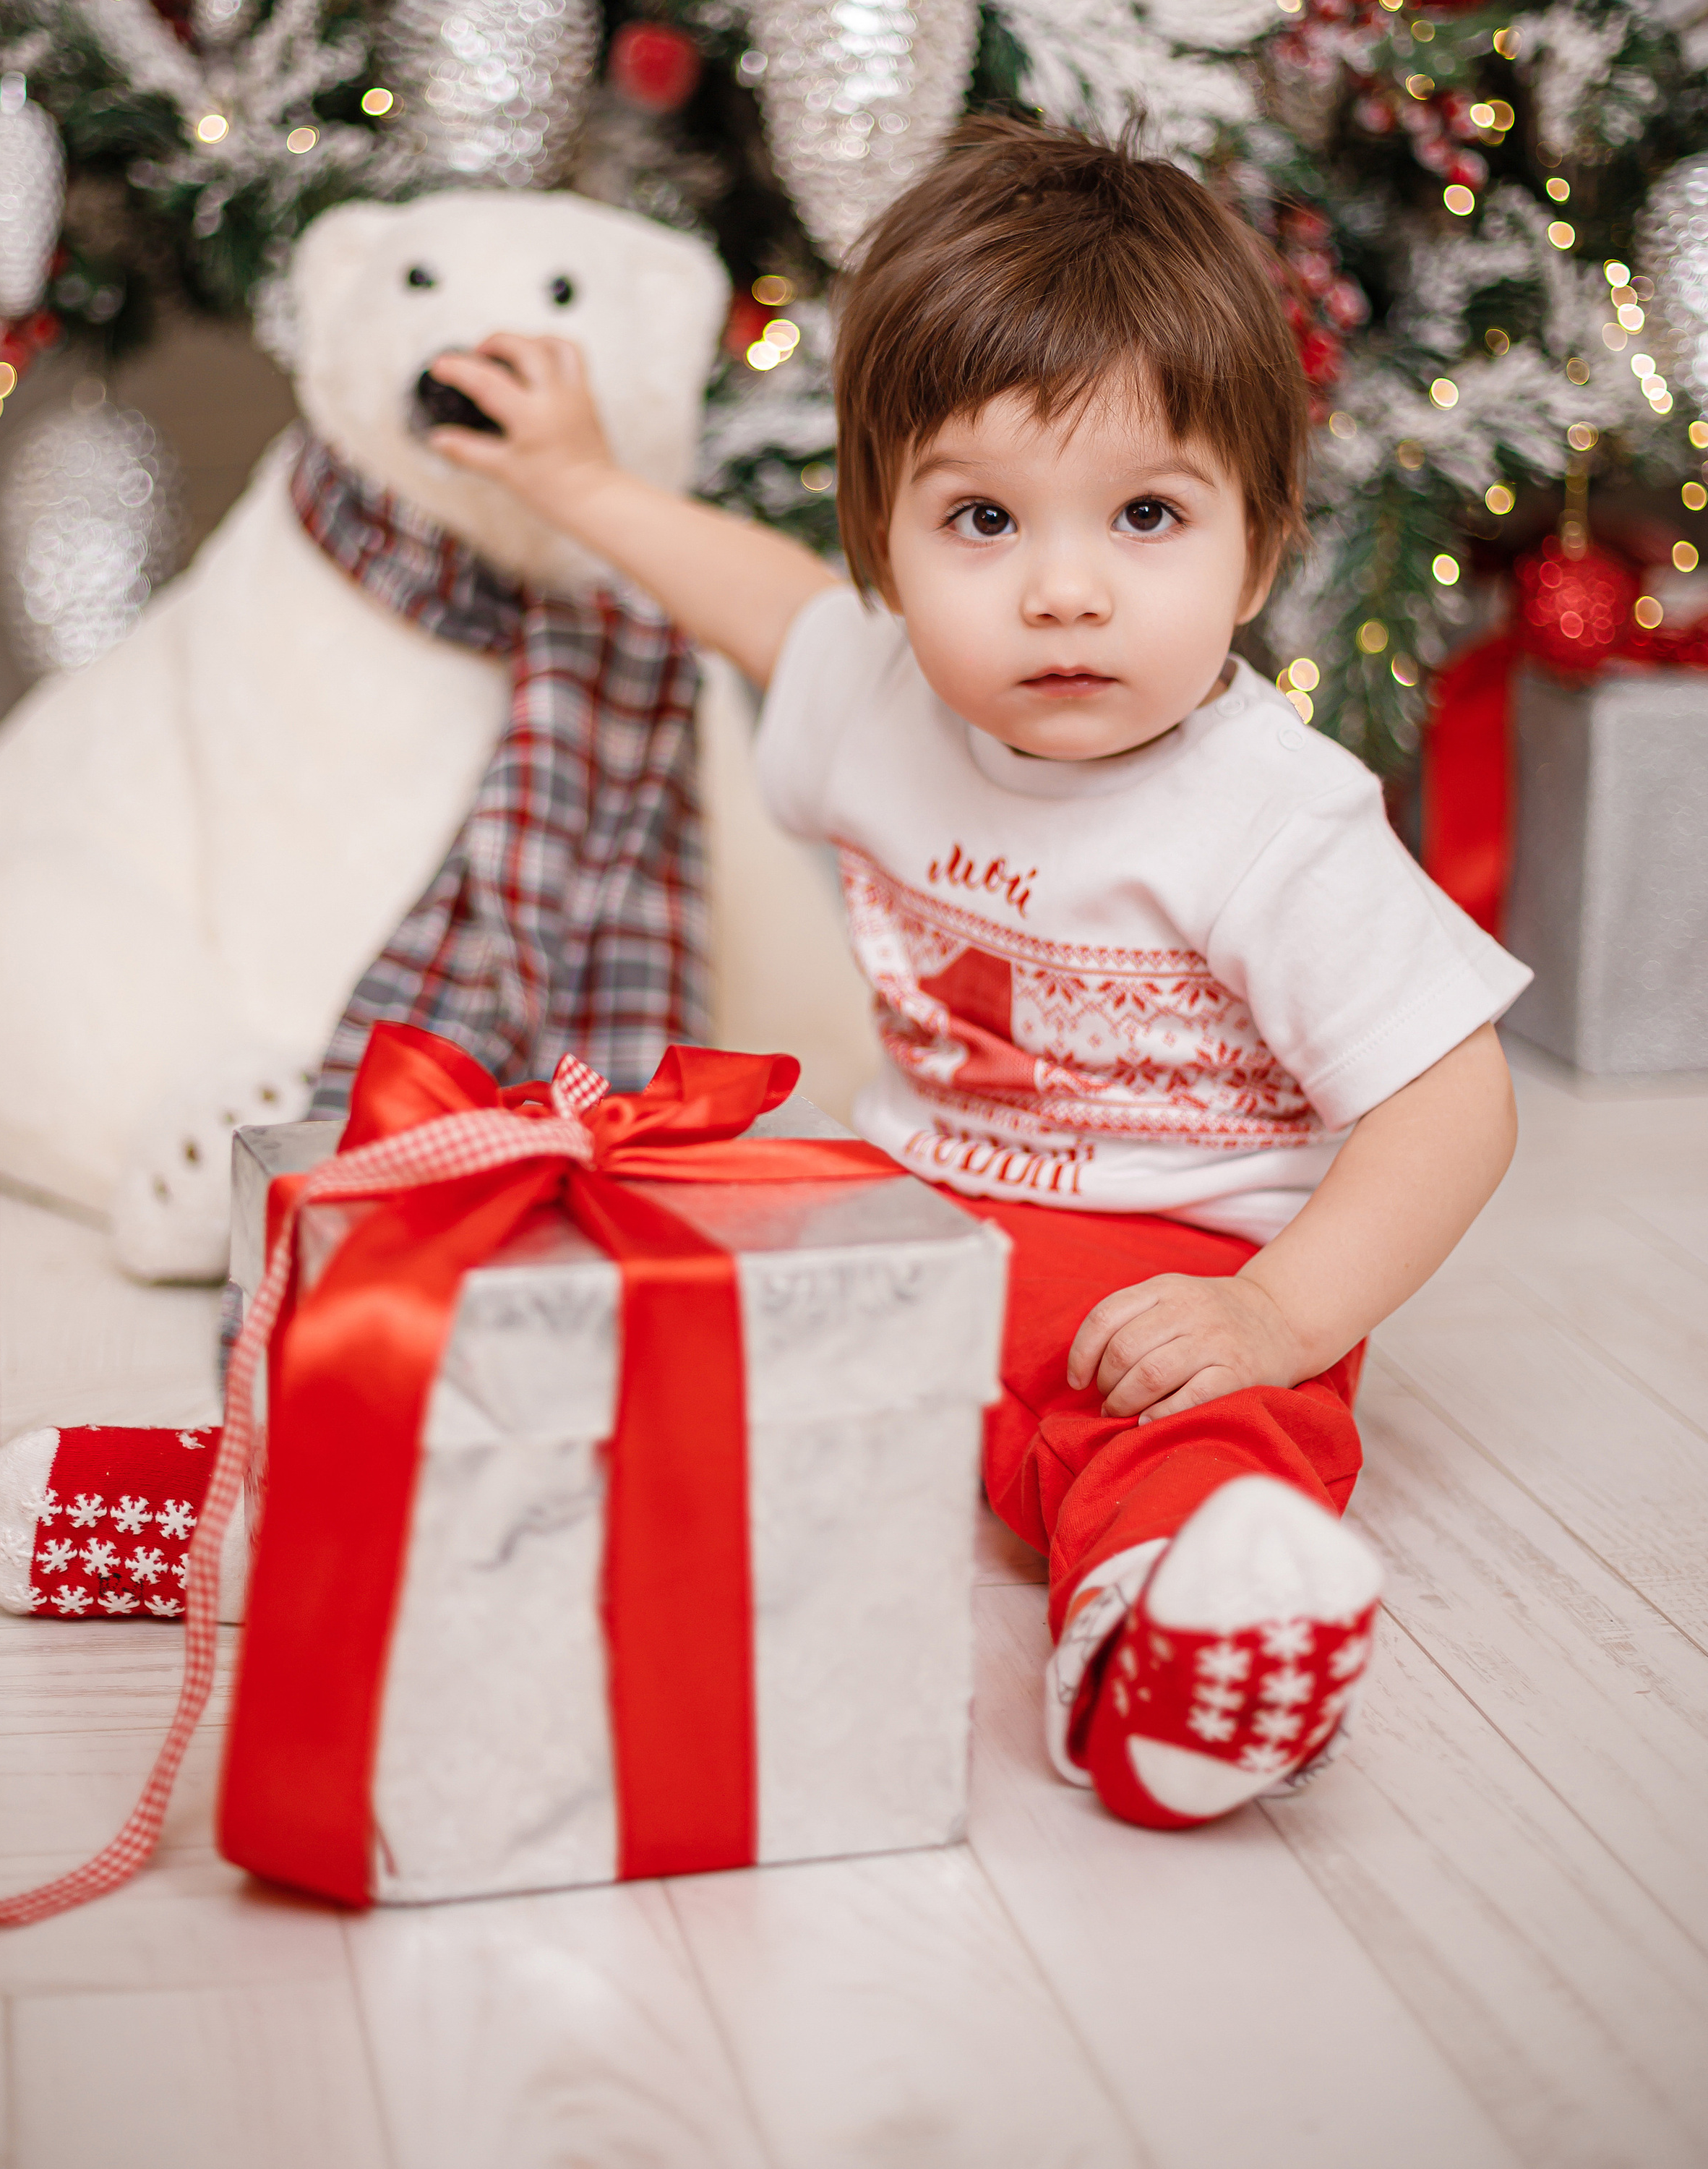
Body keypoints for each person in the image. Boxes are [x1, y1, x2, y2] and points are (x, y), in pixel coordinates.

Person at [423, 119, 1527, 1833]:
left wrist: (1274, 1314)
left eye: (1146, 513)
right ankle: (322, 1491)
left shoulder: (1269, 819)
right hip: (908, 1213)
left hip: (1171, 1274)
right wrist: (571, 479)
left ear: (1257, 544)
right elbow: (766, 605)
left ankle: (1179, 1652)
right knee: (626, 1248)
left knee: (1183, 1447)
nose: (1064, 587)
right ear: (886, 535)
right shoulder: (880, 697)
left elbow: (1448, 1103)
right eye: (984, 517)